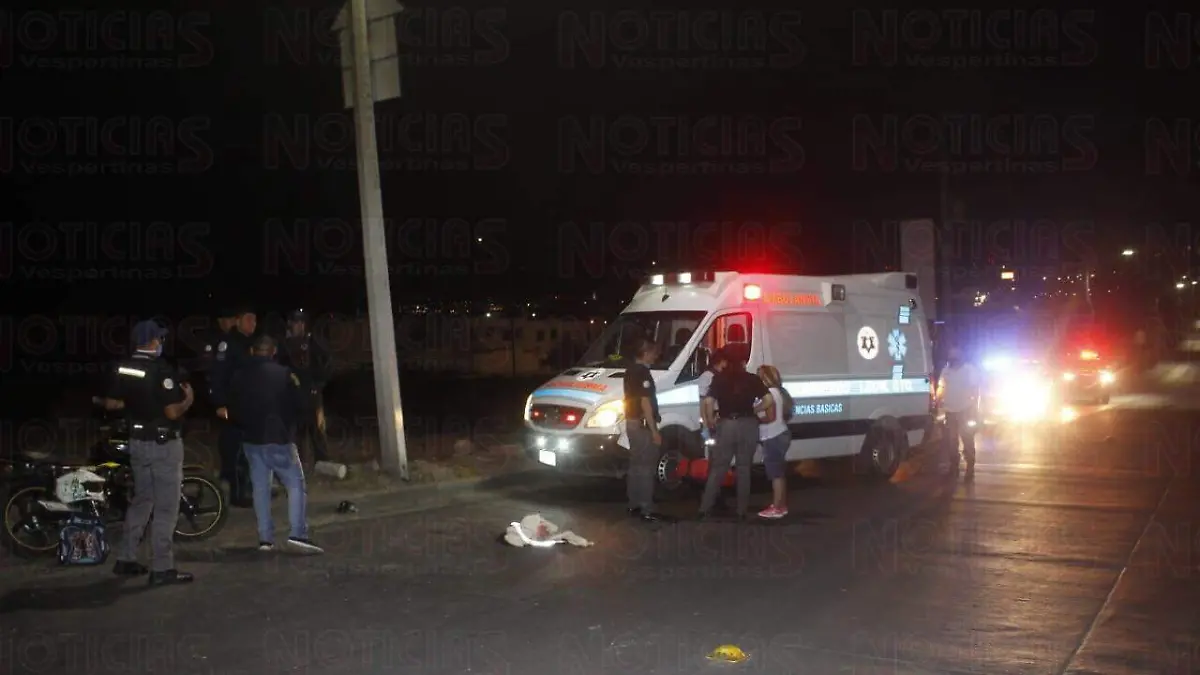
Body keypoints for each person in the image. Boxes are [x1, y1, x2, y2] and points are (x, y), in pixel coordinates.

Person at [93, 320, 195, 586]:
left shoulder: (124, 367)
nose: (161, 343)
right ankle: (162, 568)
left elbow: (113, 403)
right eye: (159, 339)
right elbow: (171, 412)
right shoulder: (162, 370)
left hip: (137, 443)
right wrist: (188, 400)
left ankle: (126, 558)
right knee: (166, 507)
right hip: (163, 445)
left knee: (142, 500)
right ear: (152, 342)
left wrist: (135, 403)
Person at [227, 335, 323, 553]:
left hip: (251, 440)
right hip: (279, 439)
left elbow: (232, 409)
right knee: (295, 485)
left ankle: (265, 539)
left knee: (260, 489)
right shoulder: (285, 375)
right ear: (273, 352)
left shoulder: (239, 376)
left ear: (253, 351)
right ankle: (297, 533)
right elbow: (300, 405)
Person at [699, 348, 773, 520]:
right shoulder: (752, 379)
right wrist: (755, 410)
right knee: (744, 469)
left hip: (726, 424)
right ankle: (741, 511)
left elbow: (708, 401)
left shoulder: (719, 379)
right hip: (748, 424)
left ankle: (704, 508)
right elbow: (768, 400)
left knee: (719, 468)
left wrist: (711, 420)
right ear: (743, 363)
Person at [210, 306, 257, 506]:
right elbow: (218, 375)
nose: (253, 324)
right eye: (248, 319)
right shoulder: (229, 344)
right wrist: (220, 403)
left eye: (255, 320)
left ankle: (248, 488)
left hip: (248, 405)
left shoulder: (249, 343)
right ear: (238, 321)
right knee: (235, 450)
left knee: (248, 449)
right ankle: (237, 493)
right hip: (233, 404)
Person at [278, 309, 331, 470]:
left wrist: (318, 384)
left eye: (302, 322)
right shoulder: (284, 345)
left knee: (317, 430)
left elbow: (325, 363)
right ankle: (298, 466)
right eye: (296, 323)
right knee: (296, 433)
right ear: (290, 324)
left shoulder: (313, 343)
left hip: (312, 394)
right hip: (293, 396)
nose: (299, 326)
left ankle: (323, 464)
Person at [622, 337, 664, 522]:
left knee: (635, 466)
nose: (656, 356)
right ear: (645, 353)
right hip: (642, 425)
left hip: (631, 423)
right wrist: (654, 431)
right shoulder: (643, 372)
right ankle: (647, 509)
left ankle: (634, 504)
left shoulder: (629, 370)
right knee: (646, 468)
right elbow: (645, 402)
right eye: (653, 353)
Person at [937, 343, 981, 479]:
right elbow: (941, 387)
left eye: (954, 354)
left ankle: (970, 468)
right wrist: (938, 401)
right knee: (952, 441)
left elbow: (975, 390)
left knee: (967, 439)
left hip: (965, 411)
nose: (952, 357)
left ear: (961, 355)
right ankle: (954, 467)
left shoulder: (969, 370)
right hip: (950, 412)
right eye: (950, 355)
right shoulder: (946, 371)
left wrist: (974, 408)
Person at [755, 365, 793, 519]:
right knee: (779, 473)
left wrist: (755, 418)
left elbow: (770, 417)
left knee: (775, 474)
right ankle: (781, 505)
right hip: (780, 433)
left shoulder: (769, 393)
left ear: (765, 377)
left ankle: (777, 508)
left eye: (759, 375)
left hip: (773, 436)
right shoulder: (778, 392)